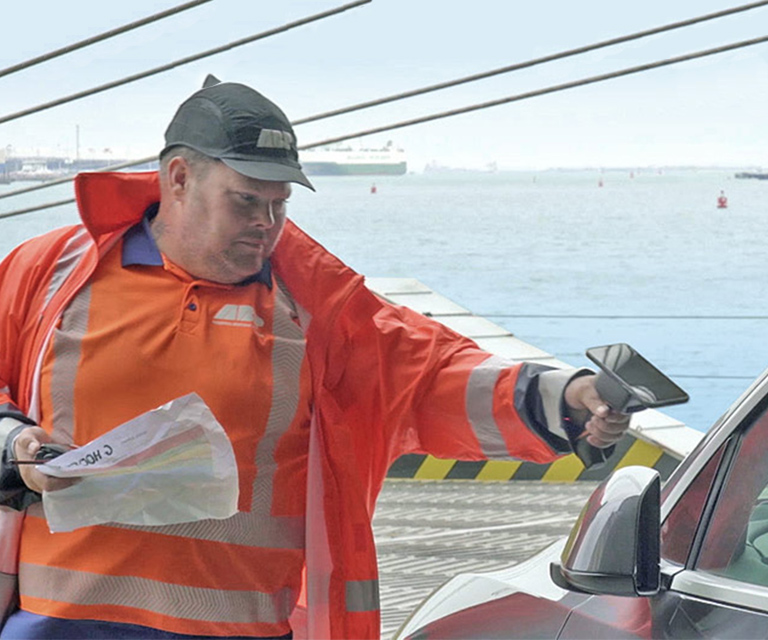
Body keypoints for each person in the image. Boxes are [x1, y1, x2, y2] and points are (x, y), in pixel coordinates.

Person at [0, 75, 630, 640]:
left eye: (280, 204)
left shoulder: (314, 307)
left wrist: (564, 397)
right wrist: (12, 444)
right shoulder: (50, 275)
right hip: (58, 625)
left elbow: (427, 374)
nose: (267, 223)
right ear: (180, 179)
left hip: (237, 630)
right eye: (246, 200)